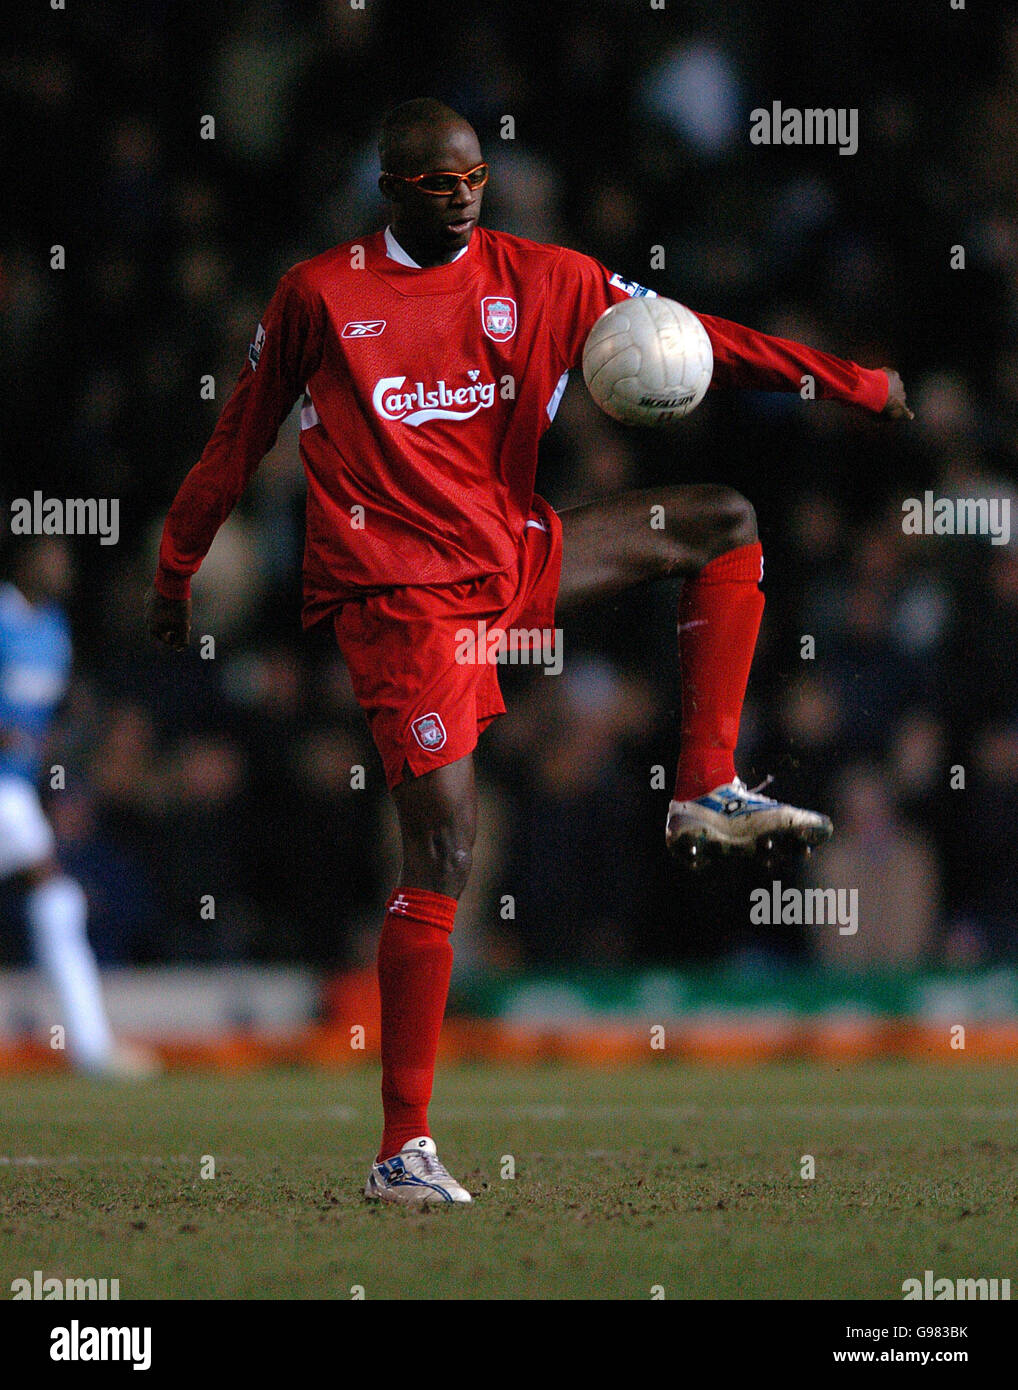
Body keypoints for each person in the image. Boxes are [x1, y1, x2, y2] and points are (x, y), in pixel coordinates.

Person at [148, 98, 912, 1204]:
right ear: (393, 190)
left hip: (510, 554)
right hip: (400, 599)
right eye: (437, 184)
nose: (461, 197)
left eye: (474, 181)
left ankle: (704, 786)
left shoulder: (541, 277)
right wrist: (175, 573)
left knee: (723, 520)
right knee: (447, 847)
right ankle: (399, 1145)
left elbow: (710, 340)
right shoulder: (322, 294)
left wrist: (851, 384)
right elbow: (239, 436)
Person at [1, 536, 155, 1078]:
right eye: (49, 555)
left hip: (14, 795)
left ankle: (89, 1047)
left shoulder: (55, 632)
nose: (60, 566)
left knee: (58, 899)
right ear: (21, 560)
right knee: (57, 896)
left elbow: (48, 727)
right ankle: (90, 1047)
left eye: (63, 558)